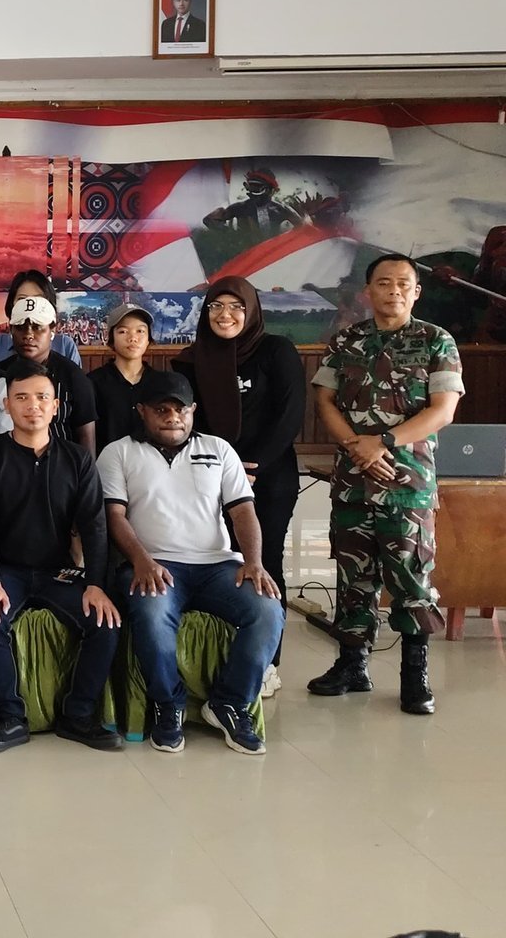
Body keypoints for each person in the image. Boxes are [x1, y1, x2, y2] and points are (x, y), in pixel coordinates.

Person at [307, 254, 463, 715]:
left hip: (406, 481)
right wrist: (357, 448)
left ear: (416, 292)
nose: (393, 290)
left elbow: (443, 410)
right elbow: (325, 400)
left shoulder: (435, 340)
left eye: (403, 284)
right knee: (353, 576)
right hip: (353, 480)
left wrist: (383, 443)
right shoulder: (347, 340)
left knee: (411, 578)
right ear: (368, 291)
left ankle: (415, 676)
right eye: (383, 283)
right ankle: (351, 665)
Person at [100, 370, 283, 755]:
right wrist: (141, 560)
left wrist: (254, 562)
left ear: (193, 410)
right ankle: (169, 705)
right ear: (142, 411)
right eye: (161, 410)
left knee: (267, 609)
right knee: (152, 615)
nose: (173, 417)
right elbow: (114, 516)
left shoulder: (219, 449)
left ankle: (230, 702)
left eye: (181, 409)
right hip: (153, 565)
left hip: (217, 566)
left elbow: (243, 511)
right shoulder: (118, 452)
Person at [0, 360, 122, 754]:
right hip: (6, 569)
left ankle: (79, 715)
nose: (32, 405)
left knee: (104, 622)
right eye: (21, 397)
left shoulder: (78, 459)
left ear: (55, 407)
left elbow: (95, 526)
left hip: (59, 570)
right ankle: (8, 718)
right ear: (7, 405)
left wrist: (96, 584)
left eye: (41, 397)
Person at [171, 276, 304, 696]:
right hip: (210, 478)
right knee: (219, 565)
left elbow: (290, 415)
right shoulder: (190, 362)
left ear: (251, 310)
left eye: (235, 307)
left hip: (269, 475)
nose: (225, 315)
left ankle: (267, 663)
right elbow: (191, 424)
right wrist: (224, 470)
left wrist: (251, 467)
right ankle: (223, 657)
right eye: (216, 306)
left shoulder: (276, 351)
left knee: (265, 562)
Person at [0, 295, 97, 454]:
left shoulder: (73, 376)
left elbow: (86, 438)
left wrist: (84, 469)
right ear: (11, 330)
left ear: (52, 329)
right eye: (21, 327)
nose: (28, 335)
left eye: (37, 327)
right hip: (6, 462)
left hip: (60, 464)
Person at [88, 302, 153, 450]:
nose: (133, 338)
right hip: (105, 462)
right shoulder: (93, 382)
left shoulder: (160, 383)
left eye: (140, 331)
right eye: (123, 331)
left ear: (148, 339)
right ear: (111, 337)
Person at [0, 271, 82, 365]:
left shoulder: (65, 345)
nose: (29, 306)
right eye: (22, 299)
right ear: (11, 305)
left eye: (39, 299)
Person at [202, 168, 303, 236]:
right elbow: (209, 220)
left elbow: (304, 229)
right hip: (247, 254)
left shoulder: (281, 209)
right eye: (251, 187)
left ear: (270, 190)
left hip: (274, 254)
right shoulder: (239, 208)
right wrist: (232, 234)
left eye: (257, 187)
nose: (252, 191)